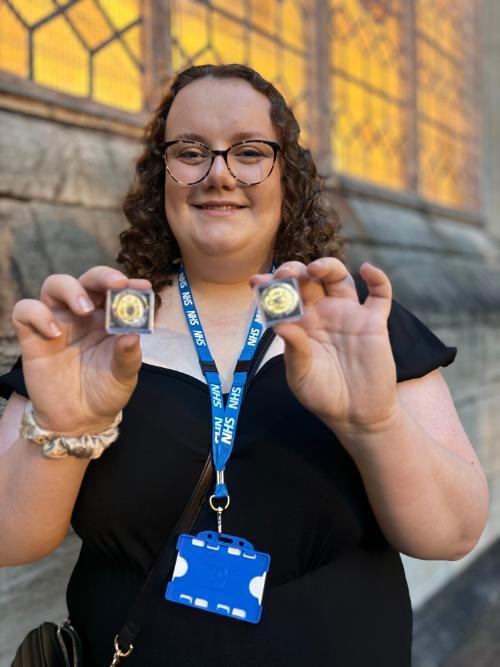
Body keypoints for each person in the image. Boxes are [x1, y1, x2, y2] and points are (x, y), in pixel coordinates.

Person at [0, 64, 489, 666]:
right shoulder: (90, 333)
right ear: (162, 175)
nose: (219, 174)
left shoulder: (360, 328)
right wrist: (63, 428)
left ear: (288, 175)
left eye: (250, 152)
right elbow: (10, 539)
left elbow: (453, 534)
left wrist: (375, 423)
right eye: (191, 151)